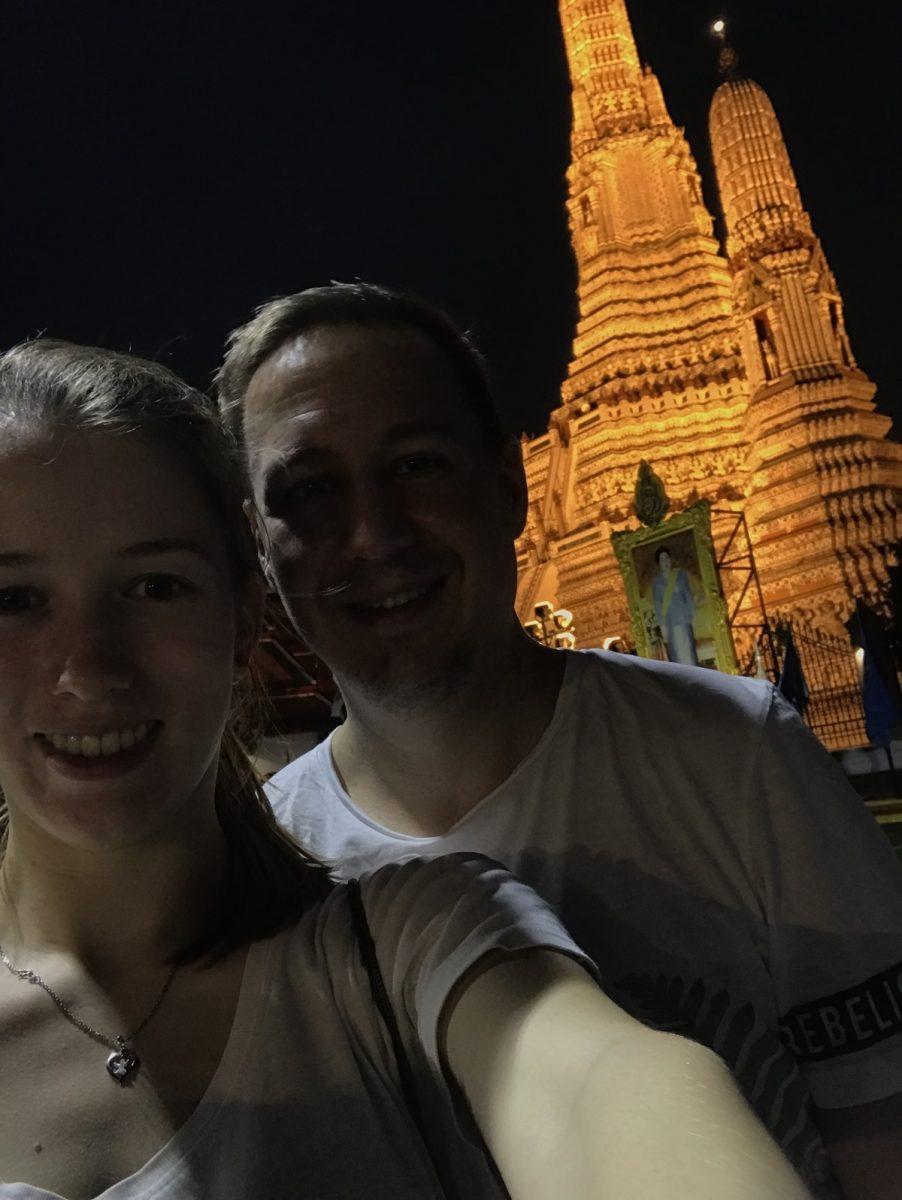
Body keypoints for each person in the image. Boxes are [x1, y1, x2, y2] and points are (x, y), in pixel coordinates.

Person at [0, 339, 808, 1200]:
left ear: (244, 622)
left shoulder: (411, 945)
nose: (88, 672)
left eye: (155, 587)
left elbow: (596, 1079)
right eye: (12, 599)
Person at [219, 281, 902, 1200]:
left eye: (417, 465)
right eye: (309, 492)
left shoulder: (735, 757)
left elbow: (881, 1130)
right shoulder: (265, 864)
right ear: (262, 550)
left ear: (511, 485)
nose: (374, 534)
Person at [650, 545, 698, 666]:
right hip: (669, 622)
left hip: (684, 619)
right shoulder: (656, 583)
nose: (665, 562)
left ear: (670, 559)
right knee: (676, 655)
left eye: (667, 558)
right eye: (662, 560)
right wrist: (662, 626)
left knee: (689, 653)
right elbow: (658, 605)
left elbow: (688, 596)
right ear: (659, 563)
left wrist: (692, 617)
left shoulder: (680, 575)